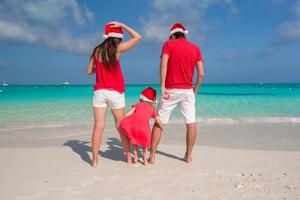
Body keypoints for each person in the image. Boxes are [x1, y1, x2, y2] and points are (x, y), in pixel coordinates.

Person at [86, 21, 141, 167]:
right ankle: (129, 157)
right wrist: (123, 25)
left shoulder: (96, 50)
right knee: (120, 125)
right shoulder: (117, 49)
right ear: (117, 36)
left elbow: (89, 71)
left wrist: (100, 69)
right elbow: (137, 37)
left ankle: (95, 160)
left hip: (99, 91)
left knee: (98, 126)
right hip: (115, 92)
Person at [149, 22, 205, 164]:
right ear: (184, 35)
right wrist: (195, 89)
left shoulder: (168, 44)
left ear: (173, 35)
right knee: (190, 123)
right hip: (187, 91)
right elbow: (201, 74)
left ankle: (152, 156)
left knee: (159, 121)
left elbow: (163, 65)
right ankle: (188, 156)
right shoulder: (195, 48)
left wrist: (162, 86)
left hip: (170, 90)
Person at [119, 87, 163, 165]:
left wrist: (124, 118)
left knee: (135, 143)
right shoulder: (151, 109)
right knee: (144, 145)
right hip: (144, 129)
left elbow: (130, 112)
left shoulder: (137, 105)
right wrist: (162, 127)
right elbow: (158, 119)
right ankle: (145, 161)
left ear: (142, 98)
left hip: (134, 128)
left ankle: (135, 158)